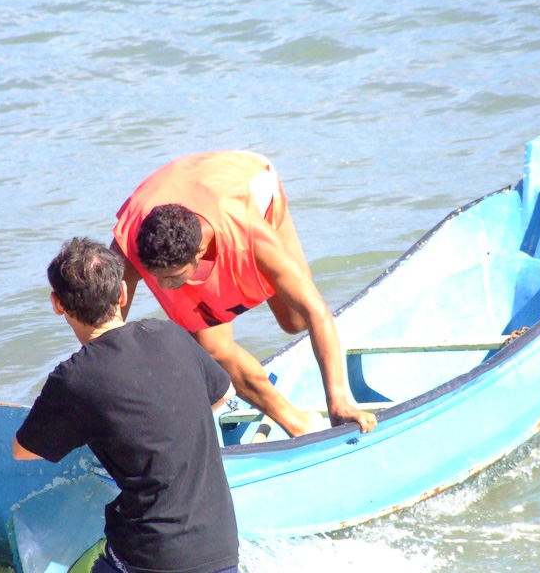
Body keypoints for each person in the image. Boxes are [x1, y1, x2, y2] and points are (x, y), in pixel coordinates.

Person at [110, 150, 377, 438]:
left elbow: (316, 311)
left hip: (247, 183)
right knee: (213, 348)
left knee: (295, 320)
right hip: (165, 192)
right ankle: (295, 422)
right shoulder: (133, 241)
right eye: (155, 277)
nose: (162, 288)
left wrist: (338, 401)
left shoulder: (250, 233)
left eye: (171, 278)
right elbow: (105, 327)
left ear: (200, 252)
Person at [13, 237, 239, 573]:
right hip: (221, 548)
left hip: (150, 557)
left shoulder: (74, 379)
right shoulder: (171, 334)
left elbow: (23, 450)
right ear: (122, 292)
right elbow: (224, 394)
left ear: (57, 303)